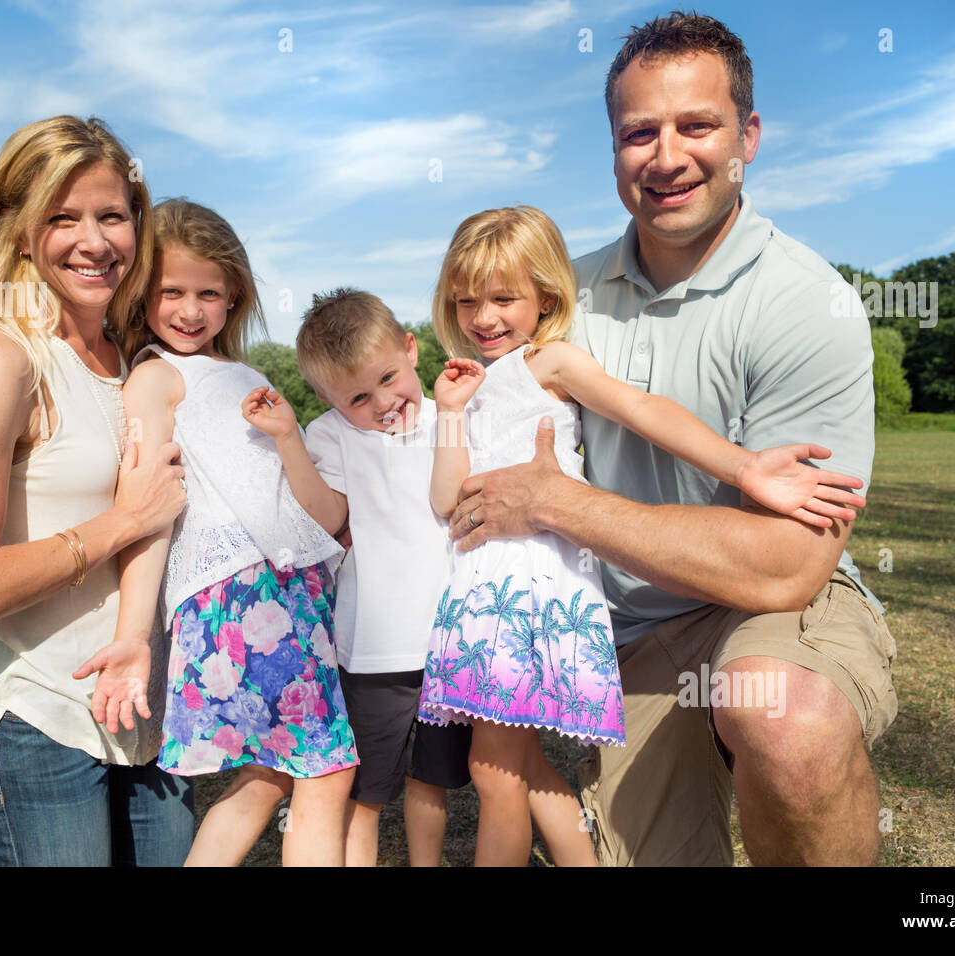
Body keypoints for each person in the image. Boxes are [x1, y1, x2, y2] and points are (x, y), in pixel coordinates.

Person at [447, 13, 898, 866]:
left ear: (748, 137)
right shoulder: (553, 297)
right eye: (638, 132)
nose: (666, 156)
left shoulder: (809, 301)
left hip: (769, 607)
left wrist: (555, 503)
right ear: (613, 149)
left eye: (697, 126)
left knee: (784, 714)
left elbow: (786, 566)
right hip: (625, 633)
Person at [421, 204, 867, 866]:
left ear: (545, 297)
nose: (483, 318)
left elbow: (643, 410)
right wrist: (451, 416)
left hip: (530, 593)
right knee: (518, 767)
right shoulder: (468, 384)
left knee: (495, 772)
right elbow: (446, 500)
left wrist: (746, 466)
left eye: (502, 299)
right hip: (481, 597)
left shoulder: (550, 363)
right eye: (464, 302)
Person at [0, 115, 194, 866]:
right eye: (61, 218)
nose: (94, 242)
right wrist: (124, 520)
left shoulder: (134, 362)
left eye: (112, 215)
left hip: (140, 710)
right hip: (32, 716)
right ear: (16, 230)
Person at [81, 198, 356, 867]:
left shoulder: (244, 376)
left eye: (209, 292)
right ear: (142, 295)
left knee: (269, 778)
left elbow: (302, 501)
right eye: (170, 291)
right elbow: (149, 509)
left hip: (294, 592)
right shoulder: (154, 377)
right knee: (325, 773)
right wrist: (131, 632)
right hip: (241, 598)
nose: (189, 309)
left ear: (234, 297)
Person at [295, 288, 476, 867]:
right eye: (357, 396)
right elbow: (329, 518)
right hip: (373, 652)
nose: (381, 403)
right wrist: (282, 439)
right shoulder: (329, 435)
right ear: (326, 399)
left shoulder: (450, 417)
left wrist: (448, 417)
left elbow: (450, 502)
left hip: (447, 642)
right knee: (366, 794)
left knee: (431, 783)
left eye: (389, 378)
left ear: (410, 348)